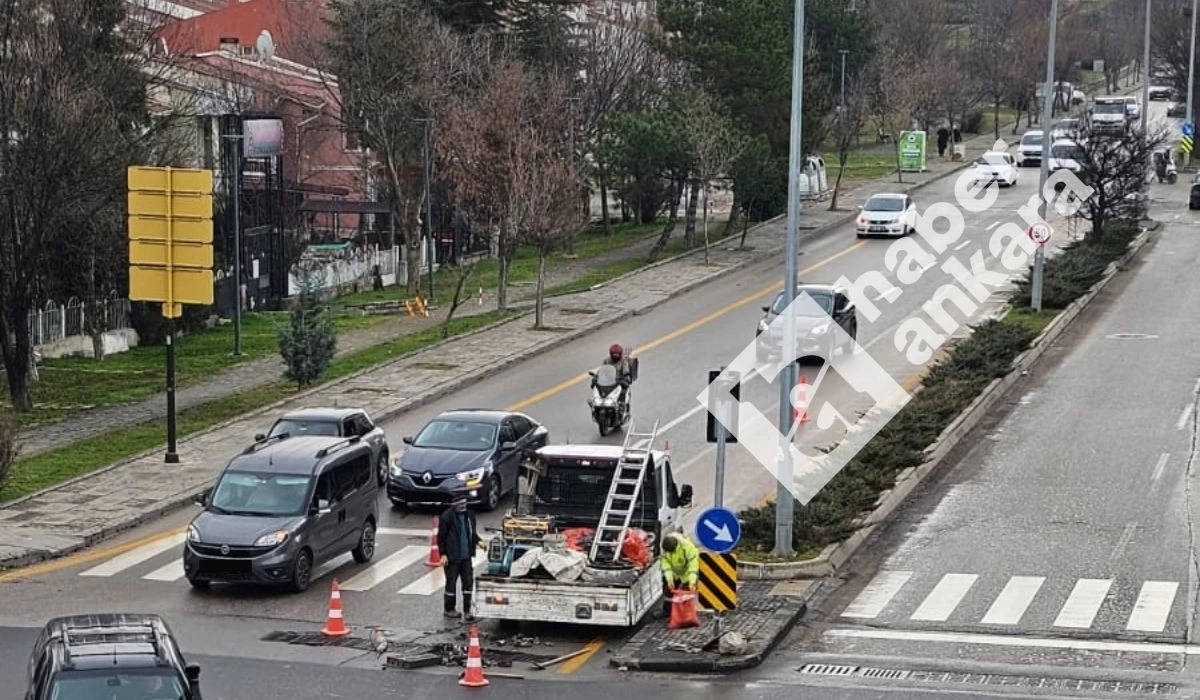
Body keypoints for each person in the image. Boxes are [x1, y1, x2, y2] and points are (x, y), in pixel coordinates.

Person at [438, 492, 486, 621]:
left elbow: (471, 533)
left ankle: (467, 610)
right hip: (452, 558)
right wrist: (443, 554)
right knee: (451, 584)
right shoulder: (447, 517)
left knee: (468, 583)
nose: (463, 506)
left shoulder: (469, 516)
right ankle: (449, 609)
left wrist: (479, 541)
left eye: (464, 503)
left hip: (466, 557)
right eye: (460, 504)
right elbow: (441, 538)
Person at [660, 532, 699, 614]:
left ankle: (686, 614)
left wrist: (692, 582)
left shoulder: (688, 547)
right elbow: (666, 565)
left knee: (686, 594)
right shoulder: (665, 549)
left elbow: (693, 566)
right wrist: (670, 579)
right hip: (675, 573)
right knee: (669, 592)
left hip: (687, 573)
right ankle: (667, 612)